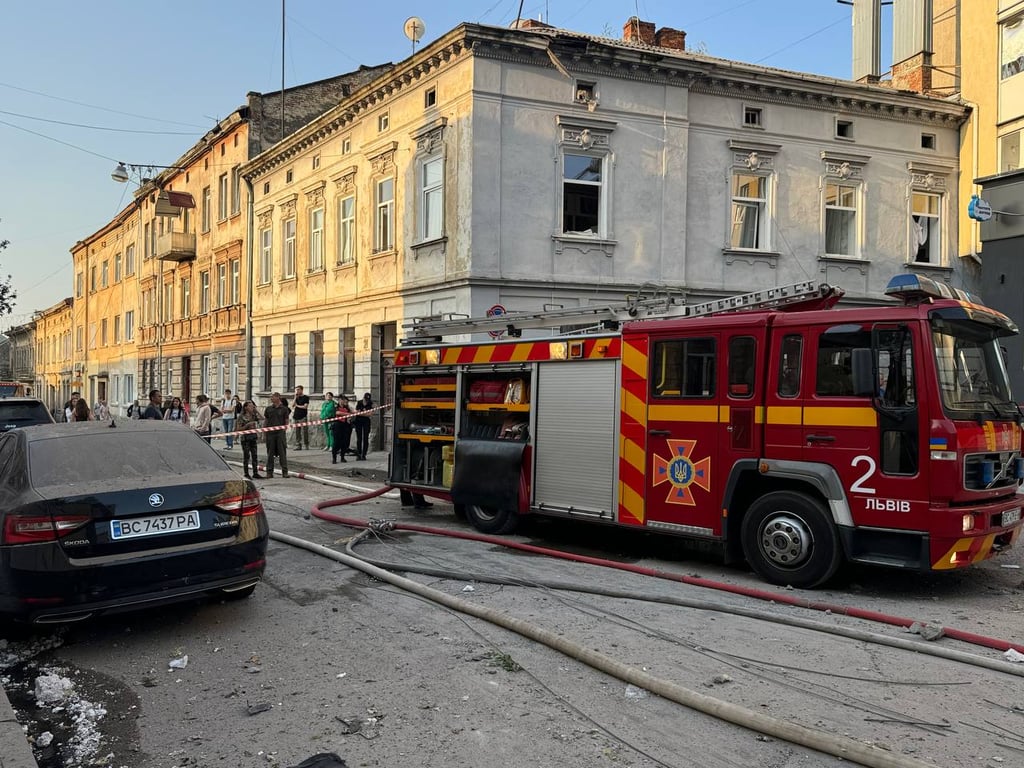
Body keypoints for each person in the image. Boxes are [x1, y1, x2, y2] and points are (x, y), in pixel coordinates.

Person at [263, 392, 291, 478]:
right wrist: (264, 432)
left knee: (282, 452)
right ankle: (269, 472)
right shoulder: (268, 409)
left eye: (273, 397)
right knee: (270, 453)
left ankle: (285, 471)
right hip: (270, 434)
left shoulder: (284, 409)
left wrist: (284, 429)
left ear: (278, 397)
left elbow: (286, 420)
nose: (271, 399)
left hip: (280, 433)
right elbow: (266, 420)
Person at [237, 400, 263, 479]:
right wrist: (247, 425)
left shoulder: (253, 415)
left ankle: (255, 473)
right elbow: (238, 429)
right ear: (246, 407)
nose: (252, 407)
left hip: (253, 438)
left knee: (254, 456)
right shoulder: (241, 417)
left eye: (253, 406)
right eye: (250, 406)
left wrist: (256, 410)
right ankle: (246, 473)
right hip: (245, 439)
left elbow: (262, 418)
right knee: (246, 456)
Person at [330, 395, 353, 464]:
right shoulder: (336, 407)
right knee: (337, 442)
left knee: (344, 442)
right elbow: (338, 413)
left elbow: (351, 415)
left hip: (345, 426)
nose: (343, 401)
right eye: (342, 400)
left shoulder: (347, 408)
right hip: (337, 425)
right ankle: (334, 458)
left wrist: (349, 417)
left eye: (344, 400)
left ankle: (342, 457)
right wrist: (348, 414)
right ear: (339, 400)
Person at [353, 392, 373, 461]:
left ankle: (364, 454)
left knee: (365, 438)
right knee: (359, 438)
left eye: (367, 400)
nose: (366, 401)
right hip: (358, 421)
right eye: (365, 399)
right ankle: (359, 454)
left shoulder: (370, 404)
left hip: (366, 422)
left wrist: (361, 413)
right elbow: (356, 412)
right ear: (363, 398)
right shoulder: (359, 403)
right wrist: (364, 413)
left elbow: (369, 414)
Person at [292, 385, 310, 450]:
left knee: (304, 431)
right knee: (297, 432)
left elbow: (305, 406)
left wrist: (297, 406)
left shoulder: (306, 397)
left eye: (298, 389)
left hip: (303, 416)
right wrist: (295, 397)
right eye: (296, 390)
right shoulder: (297, 397)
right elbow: (292, 405)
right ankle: (298, 445)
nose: (297, 391)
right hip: (296, 416)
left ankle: (306, 444)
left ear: (302, 390)